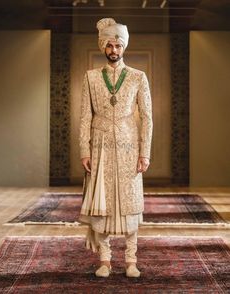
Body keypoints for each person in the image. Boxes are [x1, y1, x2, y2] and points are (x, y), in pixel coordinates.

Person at [78, 18, 153, 278]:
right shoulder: (90, 78)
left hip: (129, 146)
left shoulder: (137, 77)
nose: (114, 50)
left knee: (130, 202)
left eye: (118, 45)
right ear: (103, 47)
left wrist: (145, 152)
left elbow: (147, 117)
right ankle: (105, 260)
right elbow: (85, 117)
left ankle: (131, 260)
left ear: (124, 47)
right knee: (102, 203)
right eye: (109, 45)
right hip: (99, 147)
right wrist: (84, 151)